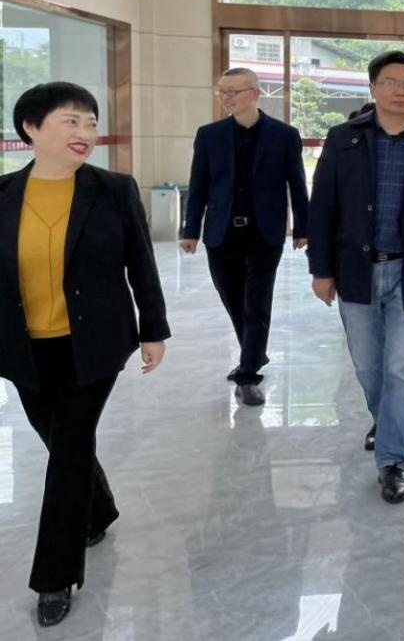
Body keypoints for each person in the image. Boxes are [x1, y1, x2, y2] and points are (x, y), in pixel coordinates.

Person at [0, 82, 168, 627]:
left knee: (69, 449)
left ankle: (54, 575)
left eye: (91, 122)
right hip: (23, 347)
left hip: (93, 345)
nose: (85, 132)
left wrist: (153, 329)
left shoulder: (113, 189)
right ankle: (99, 509)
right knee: (59, 439)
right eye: (70, 121)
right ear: (31, 129)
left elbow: (141, 262)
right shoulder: (4, 194)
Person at [308, 51, 404, 504]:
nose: (400, 91)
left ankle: (393, 460)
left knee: (402, 367)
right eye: (391, 82)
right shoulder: (344, 139)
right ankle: (388, 420)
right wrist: (321, 269)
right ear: (373, 88)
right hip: (355, 269)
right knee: (368, 366)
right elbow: (322, 207)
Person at [180, 67, 309, 406]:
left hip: (265, 232)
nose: (225, 98)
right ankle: (255, 353)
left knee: (257, 302)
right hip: (221, 232)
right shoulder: (209, 135)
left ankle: (249, 375)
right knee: (234, 300)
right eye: (221, 92)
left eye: (232, 92)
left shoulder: (284, 135)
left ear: (255, 93)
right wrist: (190, 229)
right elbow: (198, 185)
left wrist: (303, 227)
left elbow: (296, 183)